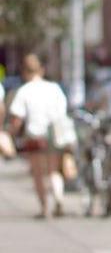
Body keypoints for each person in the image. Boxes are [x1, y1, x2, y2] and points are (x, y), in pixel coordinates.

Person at [8, 54, 67, 218]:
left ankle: (44, 208)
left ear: (24, 72)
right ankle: (58, 197)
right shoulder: (54, 88)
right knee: (54, 170)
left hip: (35, 136)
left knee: (38, 174)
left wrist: (10, 135)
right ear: (41, 70)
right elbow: (62, 111)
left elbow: (17, 119)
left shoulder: (24, 91)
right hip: (55, 134)